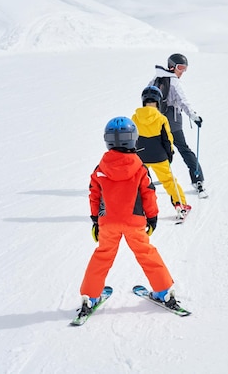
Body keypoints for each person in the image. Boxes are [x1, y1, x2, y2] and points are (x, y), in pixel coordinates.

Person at [78, 116, 184, 317]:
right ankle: (163, 292)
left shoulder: (100, 169)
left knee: (102, 256)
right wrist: (152, 218)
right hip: (134, 222)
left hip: (108, 222)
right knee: (146, 253)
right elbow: (148, 194)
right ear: (133, 138)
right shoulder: (140, 168)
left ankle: (90, 297)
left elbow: (94, 195)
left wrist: (95, 220)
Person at [147, 53, 207, 198]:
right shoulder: (174, 81)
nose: (182, 71)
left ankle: (144, 177)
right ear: (171, 66)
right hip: (173, 121)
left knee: (153, 149)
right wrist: (193, 115)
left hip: (156, 121)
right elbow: (183, 100)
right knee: (184, 149)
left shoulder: (156, 78)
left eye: (185, 68)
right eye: (180, 67)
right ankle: (197, 179)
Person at [132, 85, 191, 217]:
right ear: (158, 102)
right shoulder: (161, 118)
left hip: (141, 156)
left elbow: (132, 137)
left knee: (139, 183)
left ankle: (136, 208)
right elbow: (167, 138)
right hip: (159, 156)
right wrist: (169, 153)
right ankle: (180, 204)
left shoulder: (135, 118)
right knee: (169, 181)